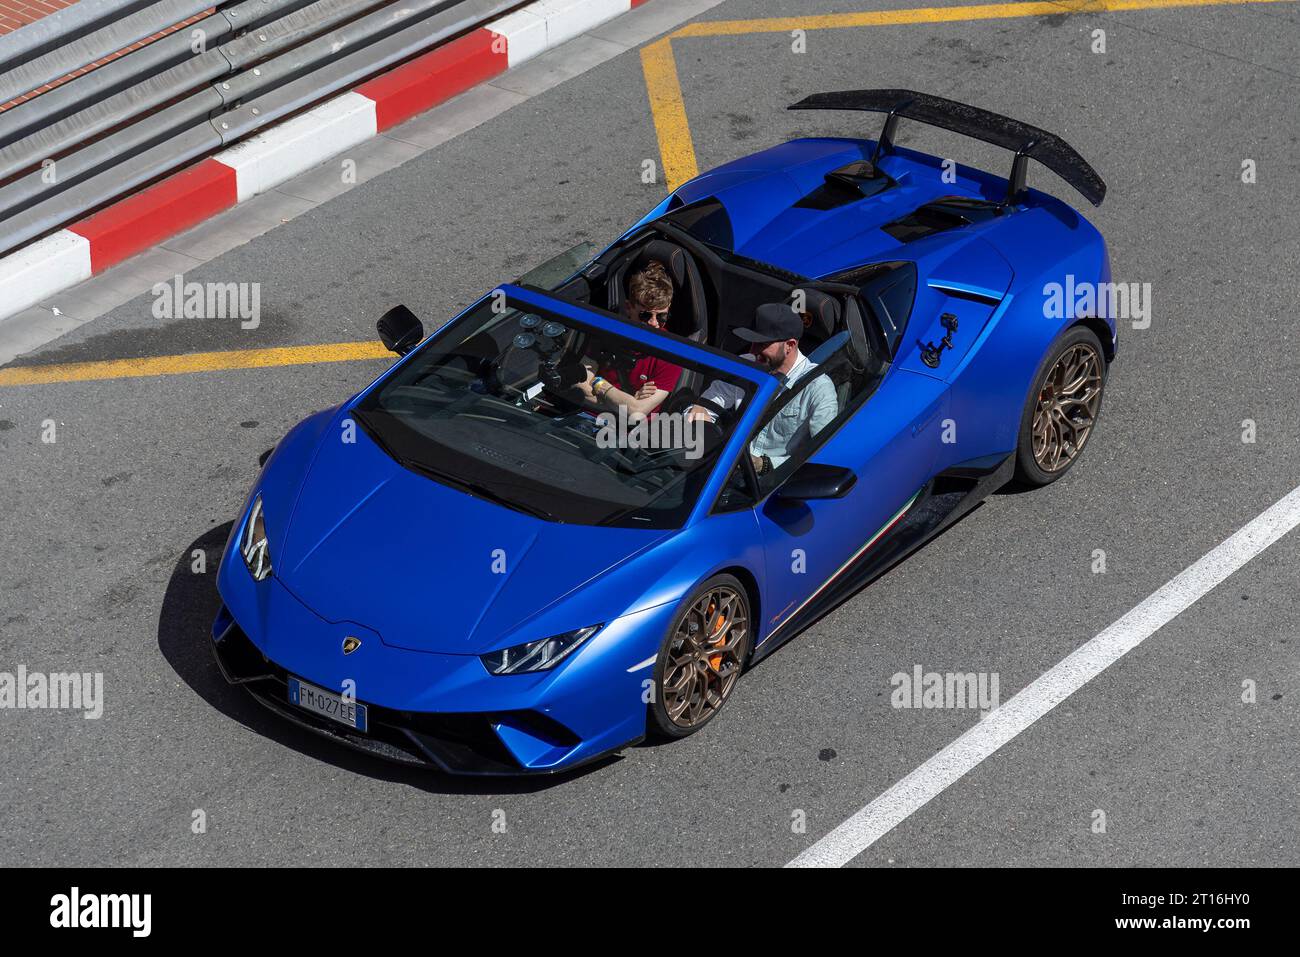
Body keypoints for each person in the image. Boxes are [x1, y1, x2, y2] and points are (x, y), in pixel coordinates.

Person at [691, 303, 837, 477]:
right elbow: (707, 404)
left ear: (789, 345)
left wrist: (764, 464)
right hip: (721, 473)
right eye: (752, 342)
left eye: (762, 344)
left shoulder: (818, 388)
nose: (753, 350)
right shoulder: (746, 363)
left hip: (771, 486)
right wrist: (700, 414)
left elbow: (822, 455)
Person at [575, 260, 683, 417]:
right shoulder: (607, 332)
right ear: (628, 307)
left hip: (630, 434)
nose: (654, 323)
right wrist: (629, 400)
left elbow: (637, 412)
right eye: (645, 315)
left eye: (662, 317)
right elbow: (580, 383)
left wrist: (598, 384)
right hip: (584, 416)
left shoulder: (672, 353)